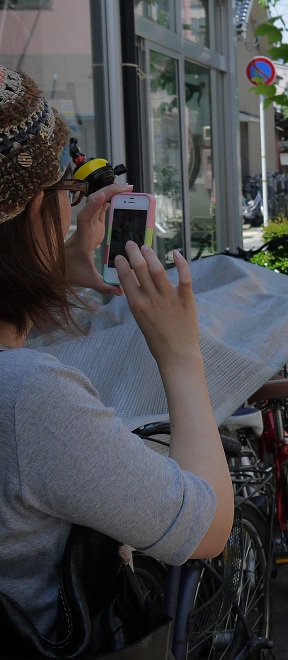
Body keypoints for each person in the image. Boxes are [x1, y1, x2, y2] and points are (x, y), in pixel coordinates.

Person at [0, 65, 233, 635]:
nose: (73, 210)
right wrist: (180, 354)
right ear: (35, 210)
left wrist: (51, 268)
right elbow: (204, 527)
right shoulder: (28, 395)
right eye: (67, 191)